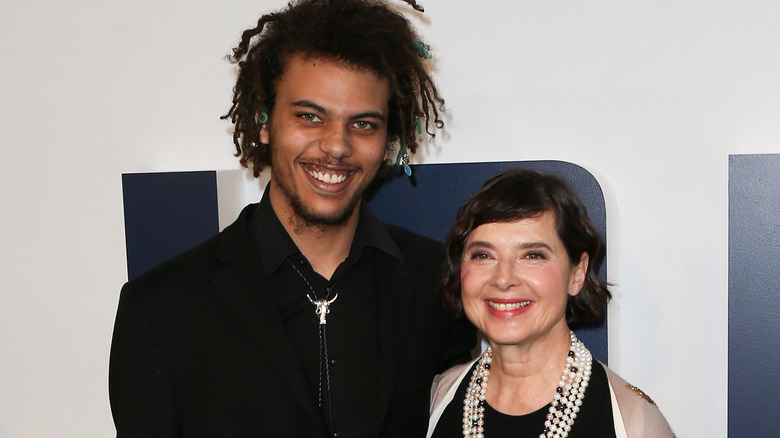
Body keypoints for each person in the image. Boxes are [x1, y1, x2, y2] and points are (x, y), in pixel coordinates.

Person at [108, 1, 475, 436]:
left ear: (387, 137)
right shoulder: (163, 310)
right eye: (309, 116)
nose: (336, 146)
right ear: (265, 121)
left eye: (362, 124)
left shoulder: (437, 286)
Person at [427, 169, 674, 438]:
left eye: (533, 255)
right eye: (483, 255)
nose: (503, 279)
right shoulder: (437, 398)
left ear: (577, 273)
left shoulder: (635, 422)